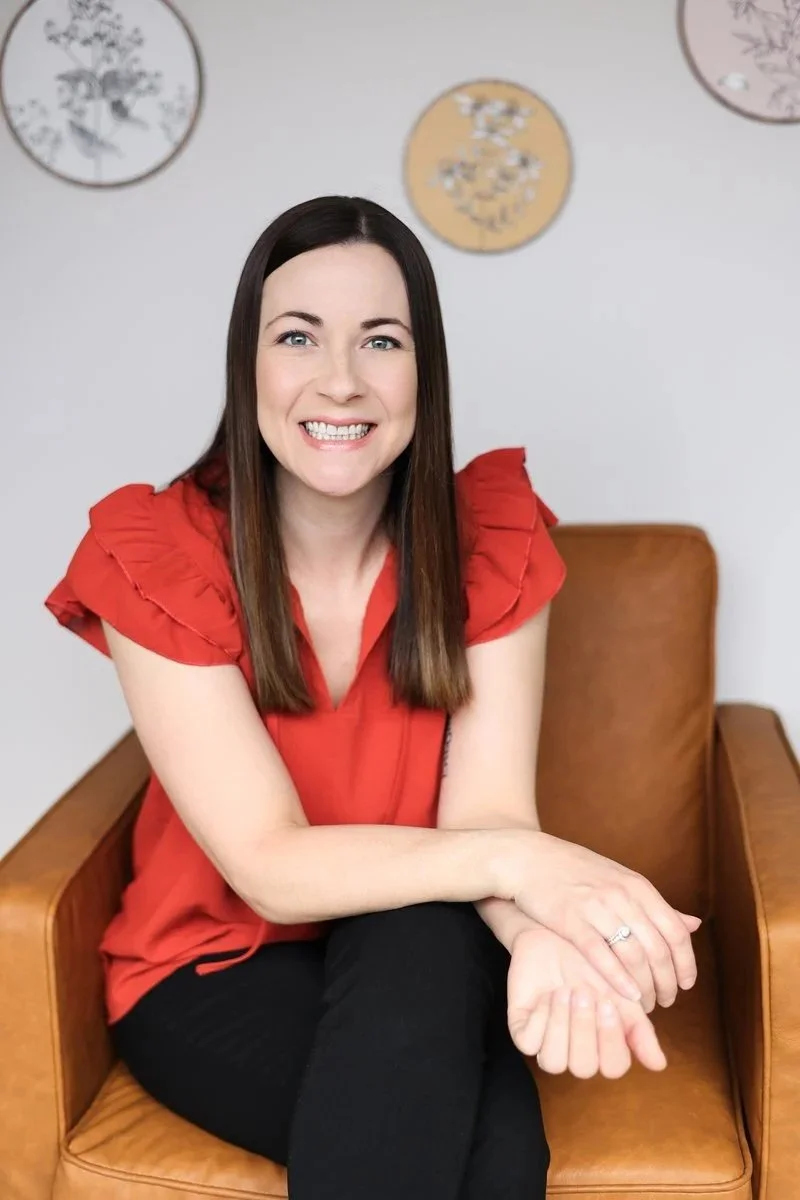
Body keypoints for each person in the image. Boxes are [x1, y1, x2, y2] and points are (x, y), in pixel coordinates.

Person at [44, 195, 700, 1200]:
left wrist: (532, 934)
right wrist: (535, 871)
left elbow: (485, 820)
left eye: (381, 340)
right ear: (248, 366)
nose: (341, 379)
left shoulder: (490, 540)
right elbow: (268, 865)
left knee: (421, 929)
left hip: (423, 948)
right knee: (488, 1154)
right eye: (297, 337)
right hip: (208, 966)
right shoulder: (159, 553)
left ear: (423, 371)